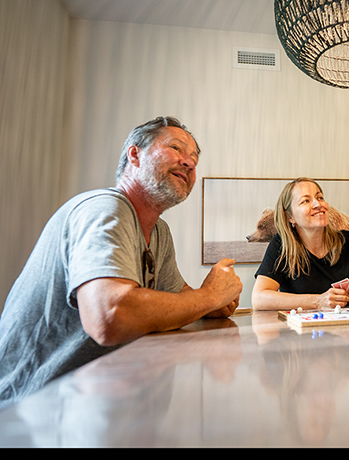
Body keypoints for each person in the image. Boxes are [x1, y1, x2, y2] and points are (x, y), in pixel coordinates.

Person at [0, 116, 243, 407]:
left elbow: (177, 299)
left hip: (100, 401)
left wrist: (213, 305)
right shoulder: (104, 208)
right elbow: (109, 317)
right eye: (176, 148)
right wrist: (210, 296)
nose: (189, 163)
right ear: (134, 155)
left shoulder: (160, 232)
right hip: (32, 411)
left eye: (193, 158)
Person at [252, 178, 349, 310]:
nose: (318, 204)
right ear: (290, 216)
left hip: (348, 333)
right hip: (300, 337)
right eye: (306, 201)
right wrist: (318, 301)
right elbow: (259, 299)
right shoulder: (280, 245)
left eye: (320, 197)